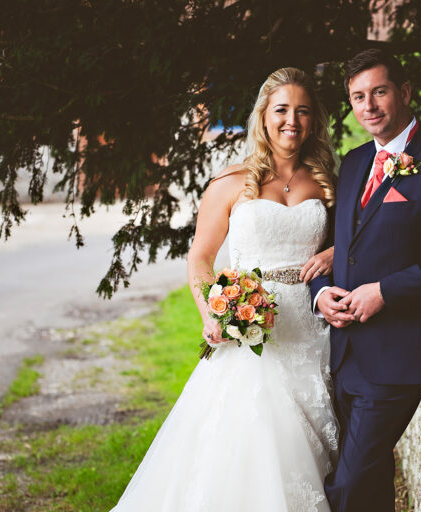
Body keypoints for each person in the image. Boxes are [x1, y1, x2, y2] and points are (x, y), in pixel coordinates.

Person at [111, 67, 339, 511]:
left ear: (314, 121)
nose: (292, 120)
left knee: (313, 452)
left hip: (312, 333)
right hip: (254, 334)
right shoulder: (230, 182)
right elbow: (200, 256)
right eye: (282, 109)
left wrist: (332, 255)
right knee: (251, 446)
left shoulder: (327, 183)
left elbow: (350, 246)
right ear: (262, 116)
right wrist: (213, 313)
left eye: (303, 111)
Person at [311, 48, 421, 512]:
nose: (369, 106)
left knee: (345, 489)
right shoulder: (354, 162)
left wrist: (384, 291)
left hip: (393, 360)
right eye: (358, 97)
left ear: (403, 92)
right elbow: (336, 251)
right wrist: (321, 293)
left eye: (378, 92)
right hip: (343, 356)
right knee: (370, 488)